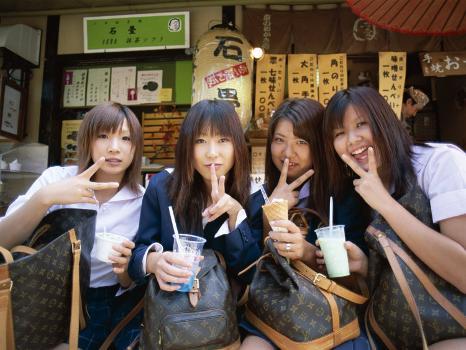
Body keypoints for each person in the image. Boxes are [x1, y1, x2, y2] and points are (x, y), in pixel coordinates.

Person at [323, 86, 466, 349]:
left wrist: (386, 204)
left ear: (384, 122)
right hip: (400, 334)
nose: (352, 139)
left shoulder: (440, 163)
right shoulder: (363, 187)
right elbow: (410, 273)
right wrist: (366, 266)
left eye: (361, 125)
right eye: (340, 133)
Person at [0, 102, 145, 349]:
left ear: (135, 148)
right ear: (87, 140)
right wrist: (45, 198)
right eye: (103, 136)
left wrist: (124, 272)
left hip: (101, 301)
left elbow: (128, 283)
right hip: (42, 293)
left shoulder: (141, 201)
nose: (114, 147)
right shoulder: (56, 178)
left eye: (125, 138)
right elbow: (3, 240)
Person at [241, 98, 371, 350]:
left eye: (302, 141)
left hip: (330, 317)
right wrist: (272, 212)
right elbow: (246, 270)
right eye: (279, 140)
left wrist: (306, 252)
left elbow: (355, 277)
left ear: (320, 145)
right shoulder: (258, 199)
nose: (288, 153)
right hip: (273, 317)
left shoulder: (345, 197)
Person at [128, 99, 262, 292]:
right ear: (187, 146)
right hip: (170, 312)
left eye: (223, 140)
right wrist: (154, 262)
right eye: (200, 141)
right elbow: (136, 258)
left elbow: (252, 274)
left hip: (228, 316)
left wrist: (235, 212)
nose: (212, 153)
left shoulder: (252, 194)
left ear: (237, 146)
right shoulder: (163, 186)